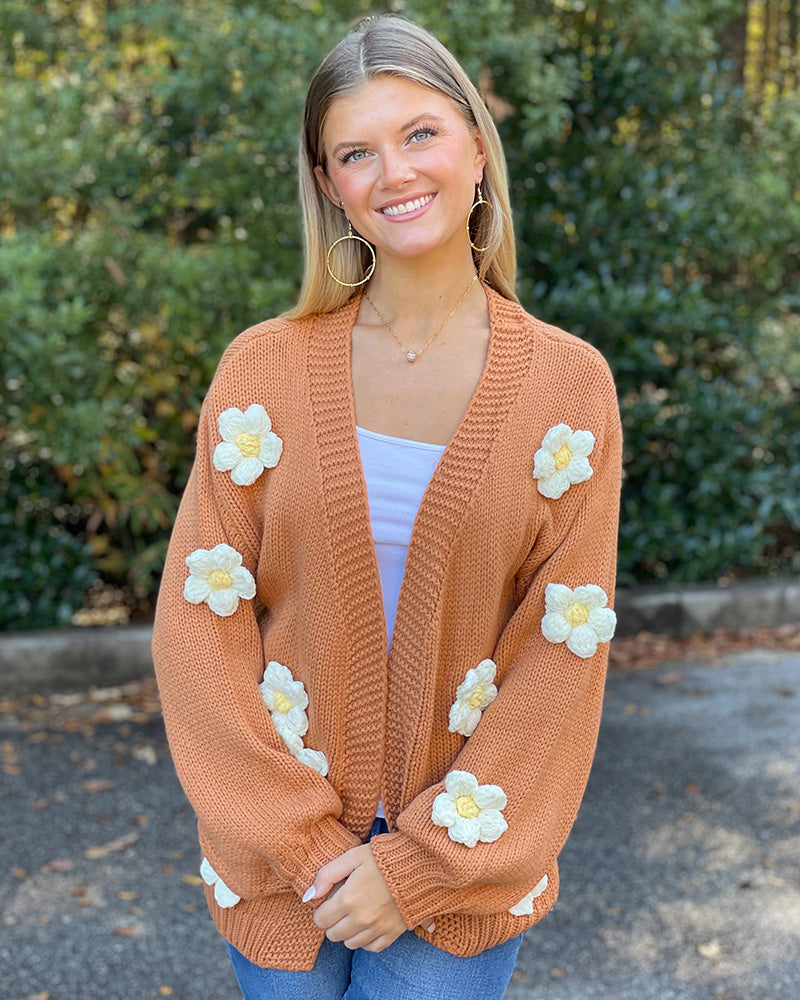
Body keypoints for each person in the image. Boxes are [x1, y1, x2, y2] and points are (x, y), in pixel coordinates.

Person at [151, 14, 622, 1000]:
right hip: (279, 867)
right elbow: (200, 626)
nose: (393, 172)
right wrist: (302, 841)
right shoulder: (261, 370)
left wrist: (414, 869)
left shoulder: (568, 389)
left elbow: (560, 657)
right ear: (329, 186)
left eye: (419, 133)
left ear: (476, 150)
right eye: (355, 152)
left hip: (462, 870)